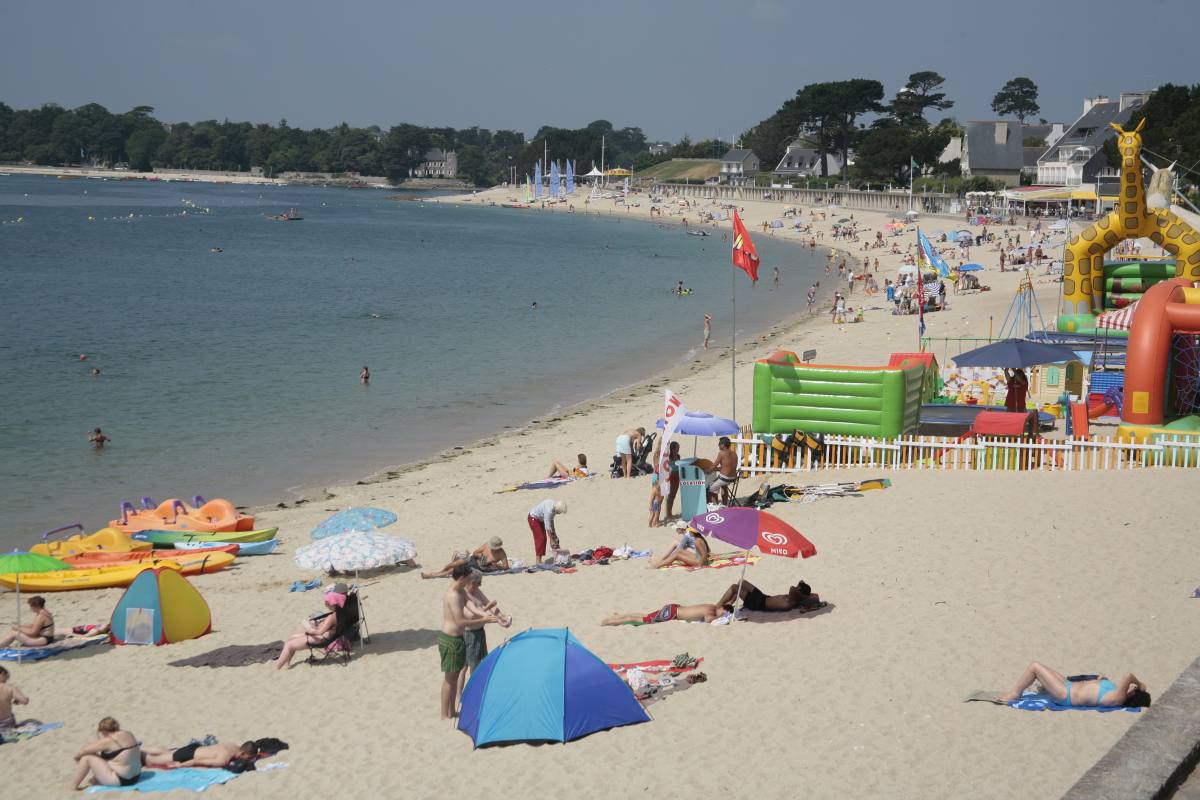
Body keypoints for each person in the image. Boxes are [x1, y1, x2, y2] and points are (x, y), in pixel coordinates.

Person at [440, 564, 500, 719]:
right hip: (450, 640)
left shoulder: (461, 591)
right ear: (462, 578)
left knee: (453, 678)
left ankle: (452, 712)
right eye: (467, 578)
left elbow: (472, 607)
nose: (469, 581)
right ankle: (444, 715)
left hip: (458, 639)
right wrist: (484, 618)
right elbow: (460, 621)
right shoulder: (453, 595)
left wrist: (491, 617)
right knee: (449, 679)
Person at [456, 570, 511, 702]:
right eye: (476, 584)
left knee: (478, 663)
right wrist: (487, 609)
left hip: (479, 633)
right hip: (469, 634)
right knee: (467, 667)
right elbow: (471, 615)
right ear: (469, 582)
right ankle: (464, 697)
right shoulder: (463, 595)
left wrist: (501, 617)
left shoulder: (476, 592)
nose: (477, 587)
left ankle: (469, 695)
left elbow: (491, 606)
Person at [995, 662, 1151, 708]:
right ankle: (1043, 688)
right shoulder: (1115, 691)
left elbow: (1128, 676)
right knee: (1039, 667)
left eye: (1133, 689)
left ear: (1132, 694)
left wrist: (1140, 683)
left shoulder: (1117, 698)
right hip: (1068, 685)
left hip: (1066, 694)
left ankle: (1015, 694)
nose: (1132, 687)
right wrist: (1102, 680)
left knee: (1034, 667)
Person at [273, 590, 343, 670]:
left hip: (320, 639)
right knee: (291, 637)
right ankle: (286, 663)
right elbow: (325, 628)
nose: (325, 605)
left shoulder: (332, 617)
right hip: (323, 636)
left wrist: (310, 629)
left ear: (333, 604)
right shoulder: (339, 614)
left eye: (327, 603)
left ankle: (277, 668)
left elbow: (319, 632)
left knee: (289, 645)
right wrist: (315, 625)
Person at [71, 717, 142, 790]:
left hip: (122, 780)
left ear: (103, 730)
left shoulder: (109, 740)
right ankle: (95, 780)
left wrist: (76, 758)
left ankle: (73, 786)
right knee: (99, 756)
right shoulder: (128, 733)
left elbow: (84, 750)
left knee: (87, 757)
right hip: (136, 777)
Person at [421, 537, 509, 579]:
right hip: (474, 559)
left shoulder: (501, 553)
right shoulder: (487, 545)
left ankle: (431, 575)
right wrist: (479, 555)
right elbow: (475, 552)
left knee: (452, 570)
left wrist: (496, 565)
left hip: (480, 567)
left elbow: (506, 567)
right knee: (452, 564)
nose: (491, 548)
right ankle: (439, 572)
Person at [717, 579, 822, 613]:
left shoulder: (792, 600)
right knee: (741, 582)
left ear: (799, 592)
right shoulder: (795, 597)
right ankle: (729, 604)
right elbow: (800, 584)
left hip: (758, 604)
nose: (796, 586)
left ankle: (717, 606)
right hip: (763, 597)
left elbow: (792, 588)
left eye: (798, 587)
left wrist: (804, 595)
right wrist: (805, 593)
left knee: (734, 588)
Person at [143, 740, 257, 769]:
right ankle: (136, 751)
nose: (247, 760)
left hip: (195, 747)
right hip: (189, 755)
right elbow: (197, 761)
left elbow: (247, 745)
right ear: (242, 752)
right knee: (151, 760)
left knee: (168, 753)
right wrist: (180, 765)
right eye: (248, 757)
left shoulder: (232, 745)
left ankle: (141, 747)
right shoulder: (223, 759)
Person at [602, 602, 731, 626]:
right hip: (670, 614)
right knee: (642, 620)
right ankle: (609, 622)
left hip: (674, 608)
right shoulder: (712, 612)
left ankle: (618, 616)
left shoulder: (712, 605)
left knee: (645, 615)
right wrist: (722, 618)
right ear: (723, 609)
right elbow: (709, 620)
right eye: (724, 613)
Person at [527, 499, 566, 563]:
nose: (559, 513)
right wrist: (552, 539)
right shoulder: (549, 510)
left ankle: (557, 556)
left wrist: (555, 536)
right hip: (533, 518)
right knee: (541, 538)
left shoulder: (554, 506)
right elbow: (547, 527)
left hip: (541, 519)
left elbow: (551, 522)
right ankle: (538, 560)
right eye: (560, 512)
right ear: (557, 509)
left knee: (545, 538)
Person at [706, 436, 738, 504]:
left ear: (723, 445)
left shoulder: (721, 453)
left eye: (719, 444)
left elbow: (715, 464)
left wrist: (709, 470)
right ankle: (725, 505)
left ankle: (715, 506)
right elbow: (727, 467)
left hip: (724, 479)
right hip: (733, 478)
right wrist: (715, 469)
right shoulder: (734, 453)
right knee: (724, 486)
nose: (718, 445)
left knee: (709, 489)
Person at [0, 666, 29, 731]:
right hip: (7, 725)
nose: (7, 679)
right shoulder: (9, 688)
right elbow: (25, 701)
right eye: (7, 676)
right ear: (2, 674)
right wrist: (19, 700)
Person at [663, 440, 682, 519]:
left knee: (673, 495)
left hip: (677, 476)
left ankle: (669, 512)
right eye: (677, 448)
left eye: (678, 448)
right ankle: (668, 513)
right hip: (670, 476)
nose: (678, 449)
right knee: (670, 495)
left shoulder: (678, 456)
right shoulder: (668, 457)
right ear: (672, 448)